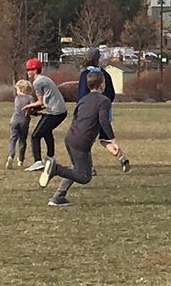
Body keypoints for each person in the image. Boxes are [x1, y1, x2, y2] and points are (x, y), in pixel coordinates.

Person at [38, 70, 120, 207]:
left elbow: (77, 117)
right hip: (81, 141)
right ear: (102, 84)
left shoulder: (83, 100)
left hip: (70, 137)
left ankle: (58, 196)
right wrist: (112, 140)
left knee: (75, 169)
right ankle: (55, 169)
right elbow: (103, 121)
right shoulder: (104, 101)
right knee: (84, 176)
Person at [76, 47, 130, 172]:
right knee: (106, 139)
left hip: (89, 113)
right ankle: (121, 157)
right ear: (98, 58)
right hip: (104, 112)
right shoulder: (105, 74)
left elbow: (81, 95)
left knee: (87, 140)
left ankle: (90, 167)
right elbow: (111, 94)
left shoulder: (85, 75)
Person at [23, 57, 67, 171]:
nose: (27, 72)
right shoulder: (45, 79)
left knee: (35, 136)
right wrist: (36, 109)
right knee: (47, 132)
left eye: (29, 70)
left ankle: (38, 162)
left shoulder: (37, 82)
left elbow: (40, 102)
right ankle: (50, 158)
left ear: (35, 70)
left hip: (54, 112)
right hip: (59, 111)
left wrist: (29, 106)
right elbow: (46, 102)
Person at [6, 79, 34, 168]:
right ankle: (21, 159)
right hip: (24, 121)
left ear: (21, 89)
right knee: (22, 140)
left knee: (12, 139)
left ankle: (10, 156)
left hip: (14, 120)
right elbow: (32, 109)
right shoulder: (30, 98)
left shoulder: (17, 98)